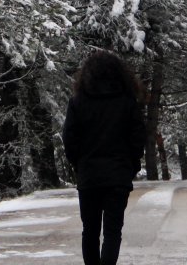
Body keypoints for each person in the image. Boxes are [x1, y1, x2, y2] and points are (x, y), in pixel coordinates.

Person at [61, 50, 147, 265]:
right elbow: (137, 137)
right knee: (112, 232)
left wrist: (78, 164)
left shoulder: (78, 102)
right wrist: (130, 166)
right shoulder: (127, 102)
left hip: (89, 176)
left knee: (89, 231)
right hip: (118, 176)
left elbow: (69, 138)